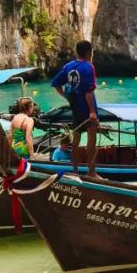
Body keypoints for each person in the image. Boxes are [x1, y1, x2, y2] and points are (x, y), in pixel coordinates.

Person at [50, 40, 99, 175]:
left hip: (75, 109)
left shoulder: (68, 66)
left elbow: (56, 83)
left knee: (75, 143)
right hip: (87, 110)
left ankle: (75, 171)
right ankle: (92, 173)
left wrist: (66, 96)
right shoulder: (89, 67)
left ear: (77, 52)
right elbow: (89, 92)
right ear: (89, 53)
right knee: (91, 142)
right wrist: (93, 112)